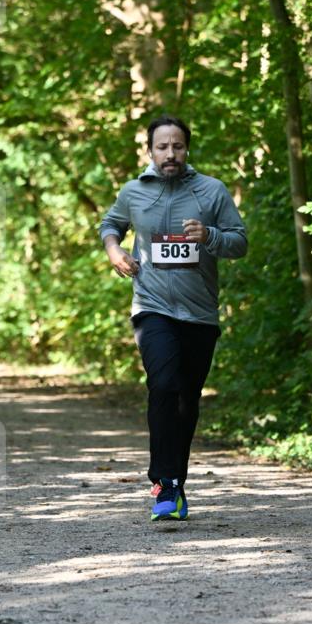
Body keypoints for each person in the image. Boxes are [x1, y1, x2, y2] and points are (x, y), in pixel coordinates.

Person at [100, 115, 247, 522]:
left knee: (187, 397)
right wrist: (115, 250)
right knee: (163, 384)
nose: (170, 154)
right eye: (162, 147)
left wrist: (211, 237)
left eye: (177, 146)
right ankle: (164, 482)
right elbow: (111, 224)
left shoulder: (211, 191)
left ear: (187, 149)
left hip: (199, 312)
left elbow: (240, 242)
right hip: (152, 307)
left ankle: (175, 484)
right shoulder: (133, 191)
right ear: (150, 150)